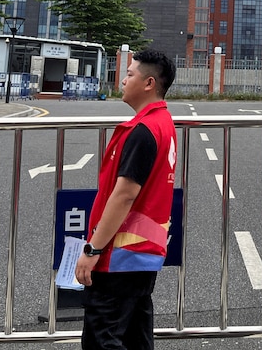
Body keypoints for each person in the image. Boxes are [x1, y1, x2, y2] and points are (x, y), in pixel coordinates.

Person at [75, 49, 177, 350]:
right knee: (135, 337)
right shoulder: (163, 123)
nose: (123, 80)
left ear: (148, 83)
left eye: (130, 74)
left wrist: (93, 249)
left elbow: (124, 195)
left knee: (101, 339)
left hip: (119, 257)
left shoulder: (143, 131)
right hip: (142, 255)